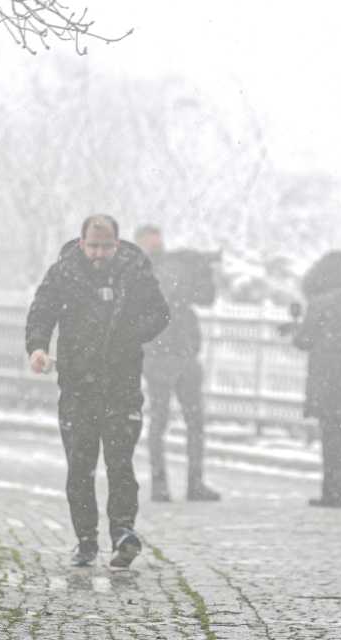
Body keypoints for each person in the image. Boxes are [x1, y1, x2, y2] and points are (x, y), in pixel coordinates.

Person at [25, 215, 170, 568]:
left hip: (122, 384)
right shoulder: (64, 272)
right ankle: (86, 539)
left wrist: (129, 334)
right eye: (93, 246)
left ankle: (122, 532)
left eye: (105, 246)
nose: (98, 254)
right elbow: (41, 312)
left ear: (117, 244)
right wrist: (37, 348)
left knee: (120, 463)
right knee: (80, 466)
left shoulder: (134, 272)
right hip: (78, 385)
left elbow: (159, 313)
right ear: (81, 242)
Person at [134, 226, 221, 502]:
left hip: (181, 352)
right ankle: (163, 484)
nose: (157, 244)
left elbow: (205, 297)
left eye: (158, 239)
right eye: (151, 240)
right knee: (161, 420)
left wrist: (204, 270)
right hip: (159, 354)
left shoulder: (174, 266)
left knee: (193, 421)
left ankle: (193, 483)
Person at [281, 250, 341, 507]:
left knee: (331, 437)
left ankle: (332, 492)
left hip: (327, 379)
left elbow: (304, 340)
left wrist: (296, 326)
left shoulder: (321, 302)